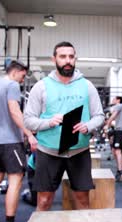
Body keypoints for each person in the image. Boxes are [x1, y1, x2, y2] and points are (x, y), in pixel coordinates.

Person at [24, 41, 104, 211]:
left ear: (75, 59)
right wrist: (48, 122)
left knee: (83, 201)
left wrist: (88, 126)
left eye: (71, 56)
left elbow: (99, 116)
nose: (67, 60)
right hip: (48, 152)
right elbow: (28, 120)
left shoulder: (87, 86)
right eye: (62, 56)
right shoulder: (41, 86)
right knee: (44, 201)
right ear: (54, 59)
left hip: (79, 152)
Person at [0, 60, 38, 222]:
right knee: (15, 180)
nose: (23, 79)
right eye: (23, 75)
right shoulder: (12, 85)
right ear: (17, 71)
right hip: (10, 142)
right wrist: (29, 134)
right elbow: (15, 111)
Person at [104, 96, 122, 181]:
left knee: (117, 150)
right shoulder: (119, 108)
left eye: (114, 99)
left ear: (118, 100)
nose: (112, 100)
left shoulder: (119, 105)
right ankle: (121, 169)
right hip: (118, 131)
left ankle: (120, 171)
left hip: (121, 131)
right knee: (114, 151)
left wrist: (107, 124)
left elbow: (113, 116)